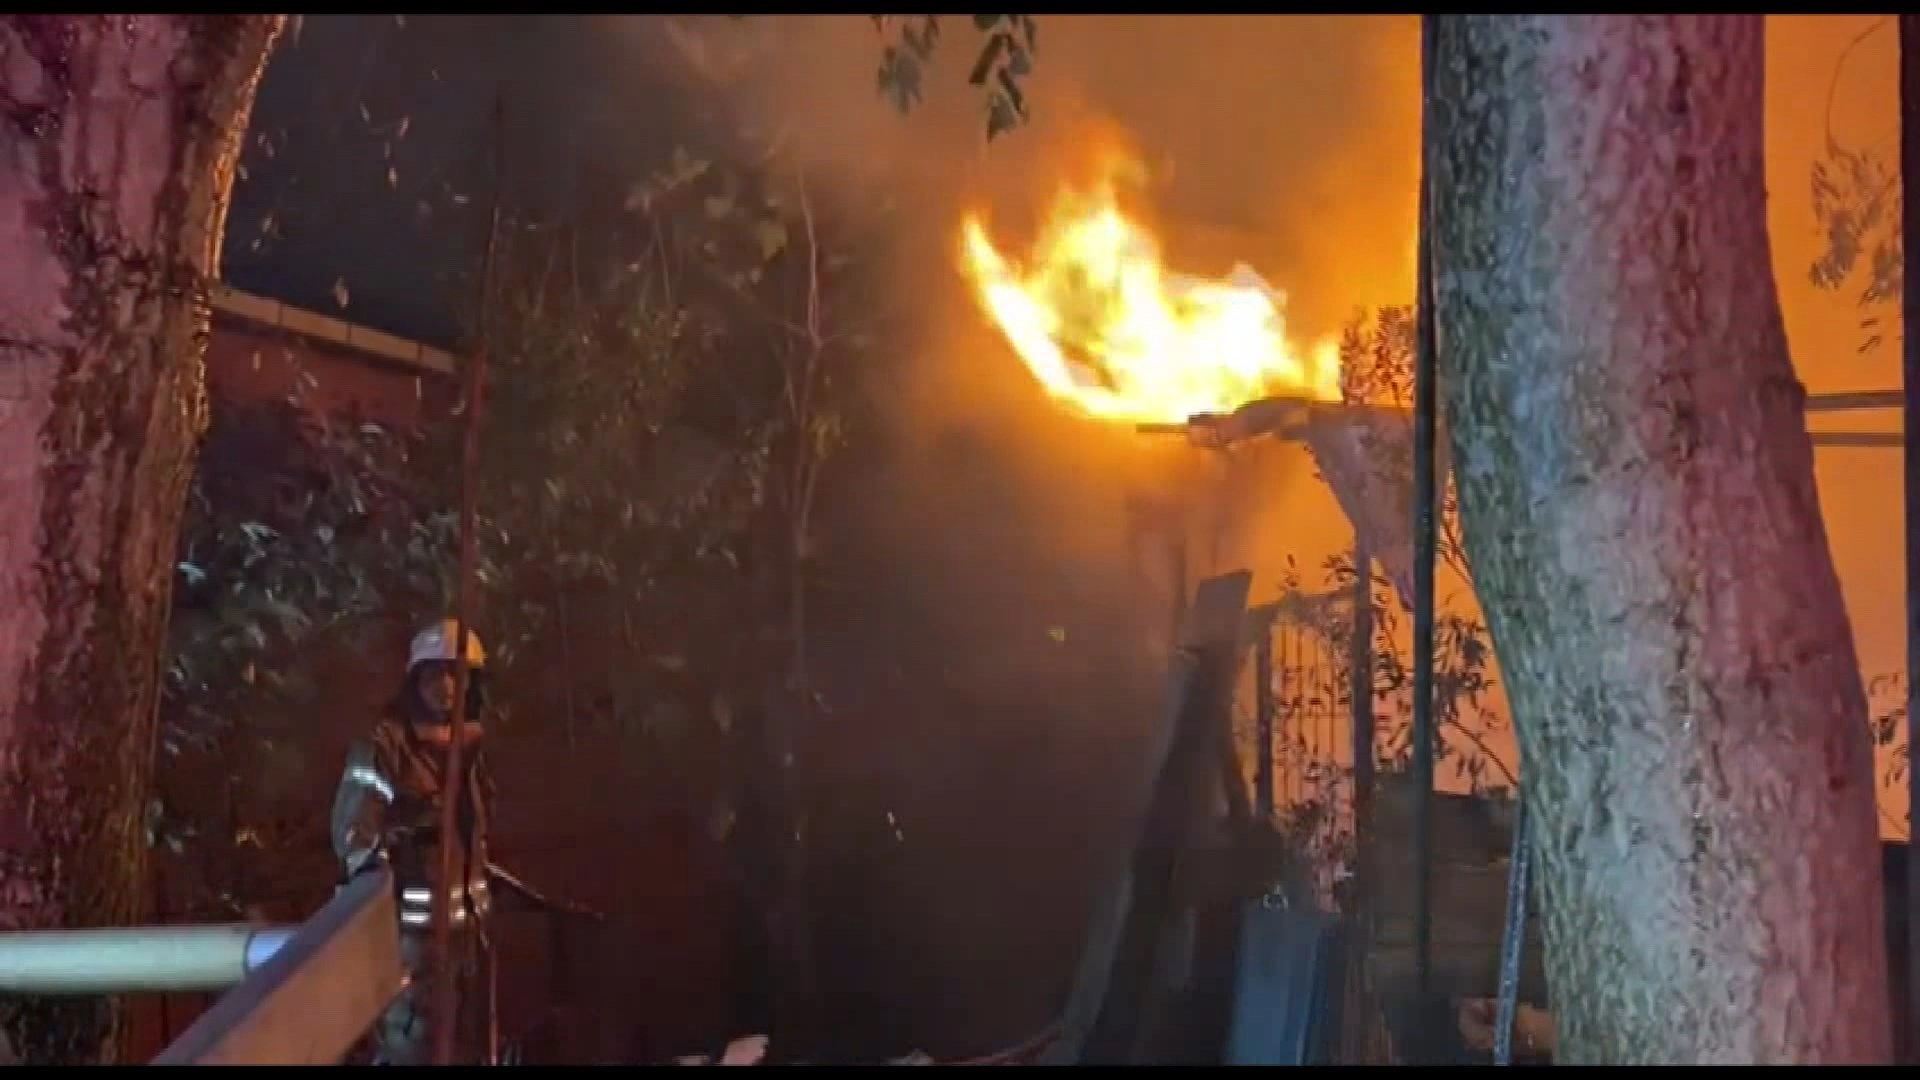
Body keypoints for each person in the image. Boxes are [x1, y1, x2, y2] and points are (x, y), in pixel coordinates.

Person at [331, 618, 497, 1065]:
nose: (446, 687)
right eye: (434, 675)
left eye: (457, 675)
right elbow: (354, 839)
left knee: (466, 1046)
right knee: (413, 1046)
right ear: (415, 681)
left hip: (467, 939)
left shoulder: (471, 747)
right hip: (410, 941)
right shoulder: (385, 746)